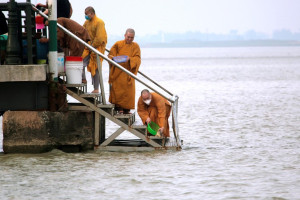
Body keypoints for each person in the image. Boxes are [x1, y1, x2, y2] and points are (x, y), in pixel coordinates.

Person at [108, 28, 141, 114]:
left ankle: (127, 109)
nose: (130, 39)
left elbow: (138, 59)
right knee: (118, 90)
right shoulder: (118, 44)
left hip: (129, 72)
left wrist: (130, 59)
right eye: (128, 37)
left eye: (132, 38)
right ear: (125, 35)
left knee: (129, 92)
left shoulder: (135, 46)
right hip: (118, 71)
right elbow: (110, 55)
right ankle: (119, 108)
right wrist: (114, 58)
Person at [81, 6, 107, 93]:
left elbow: (100, 38)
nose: (85, 16)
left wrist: (93, 46)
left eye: (86, 14)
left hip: (97, 48)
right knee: (80, 62)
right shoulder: (86, 22)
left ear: (92, 13)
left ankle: (96, 89)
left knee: (95, 68)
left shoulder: (100, 22)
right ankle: (83, 79)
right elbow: (82, 32)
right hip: (88, 47)